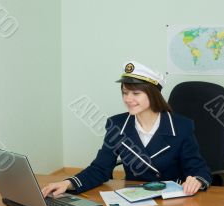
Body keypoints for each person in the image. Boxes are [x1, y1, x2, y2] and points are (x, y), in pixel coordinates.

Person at [42, 61, 211, 198]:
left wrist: (197, 180)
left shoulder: (181, 126)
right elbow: (100, 169)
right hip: (135, 198)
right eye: (124, 93)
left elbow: (198, 169)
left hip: (172, 199)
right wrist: (67, 183)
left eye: (135, 93)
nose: (128, 99)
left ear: (153, 95)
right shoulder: (116, 125)